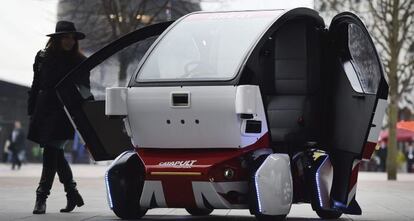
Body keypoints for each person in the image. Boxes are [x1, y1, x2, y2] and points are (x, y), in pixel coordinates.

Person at [27, 21, 90, 214]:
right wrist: (31, 110)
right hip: (44, 109)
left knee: (51, 151)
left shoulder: (79, 61)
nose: (70, 41)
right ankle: (72, 193)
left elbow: (85, 90)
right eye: (65, 37)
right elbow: (36, 84)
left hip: (64, 112)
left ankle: (41, 197)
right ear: (56, 39)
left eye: (72, 38)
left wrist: (89, 114)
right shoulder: (42, 57)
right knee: (55, 153)